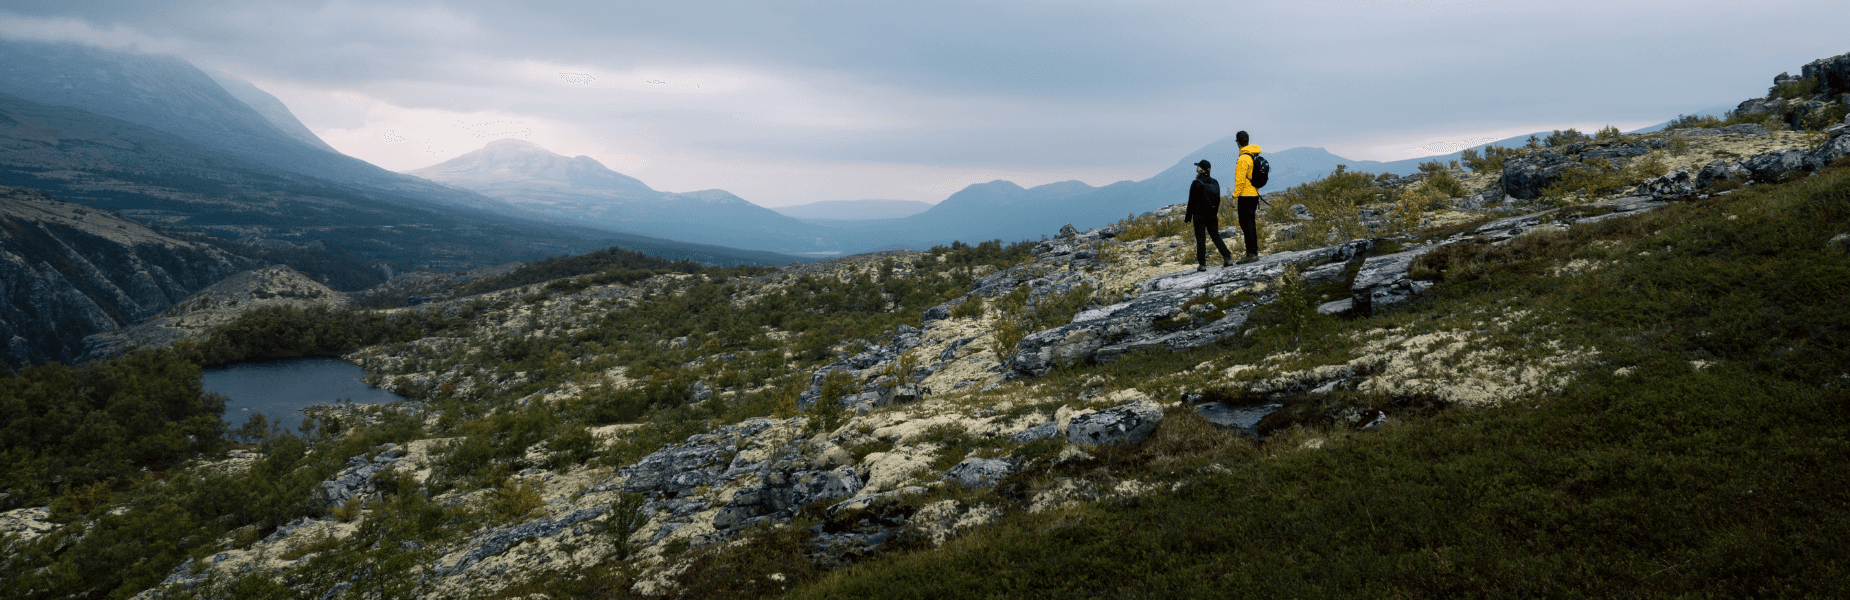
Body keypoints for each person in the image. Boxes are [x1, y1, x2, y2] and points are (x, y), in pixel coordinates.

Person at [1183, 159, 1232, 272]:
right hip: (1212, 214)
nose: (1196, 168)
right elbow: (1218, 199)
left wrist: (1188, 217)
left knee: (1201, 239)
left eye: (1198, 166)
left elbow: (1191, 201)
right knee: (1216, 236)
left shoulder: (1196, 183)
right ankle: (1227, 258)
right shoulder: (1215, 182)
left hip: (1199, 215)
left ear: (1200, 169)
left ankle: (1202, 264)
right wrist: (1214, 212)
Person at [1231, 131, 1264, 263]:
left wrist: (1234, 196)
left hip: (1245, 195)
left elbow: (1240, 180)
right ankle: (1253, 251)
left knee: (1246, 223)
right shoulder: (1253, 155)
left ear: (1238, 142)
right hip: (1255, 194)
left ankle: (1251, 253)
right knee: (1250, 222)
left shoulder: (1243, 158)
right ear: (1247, 140)